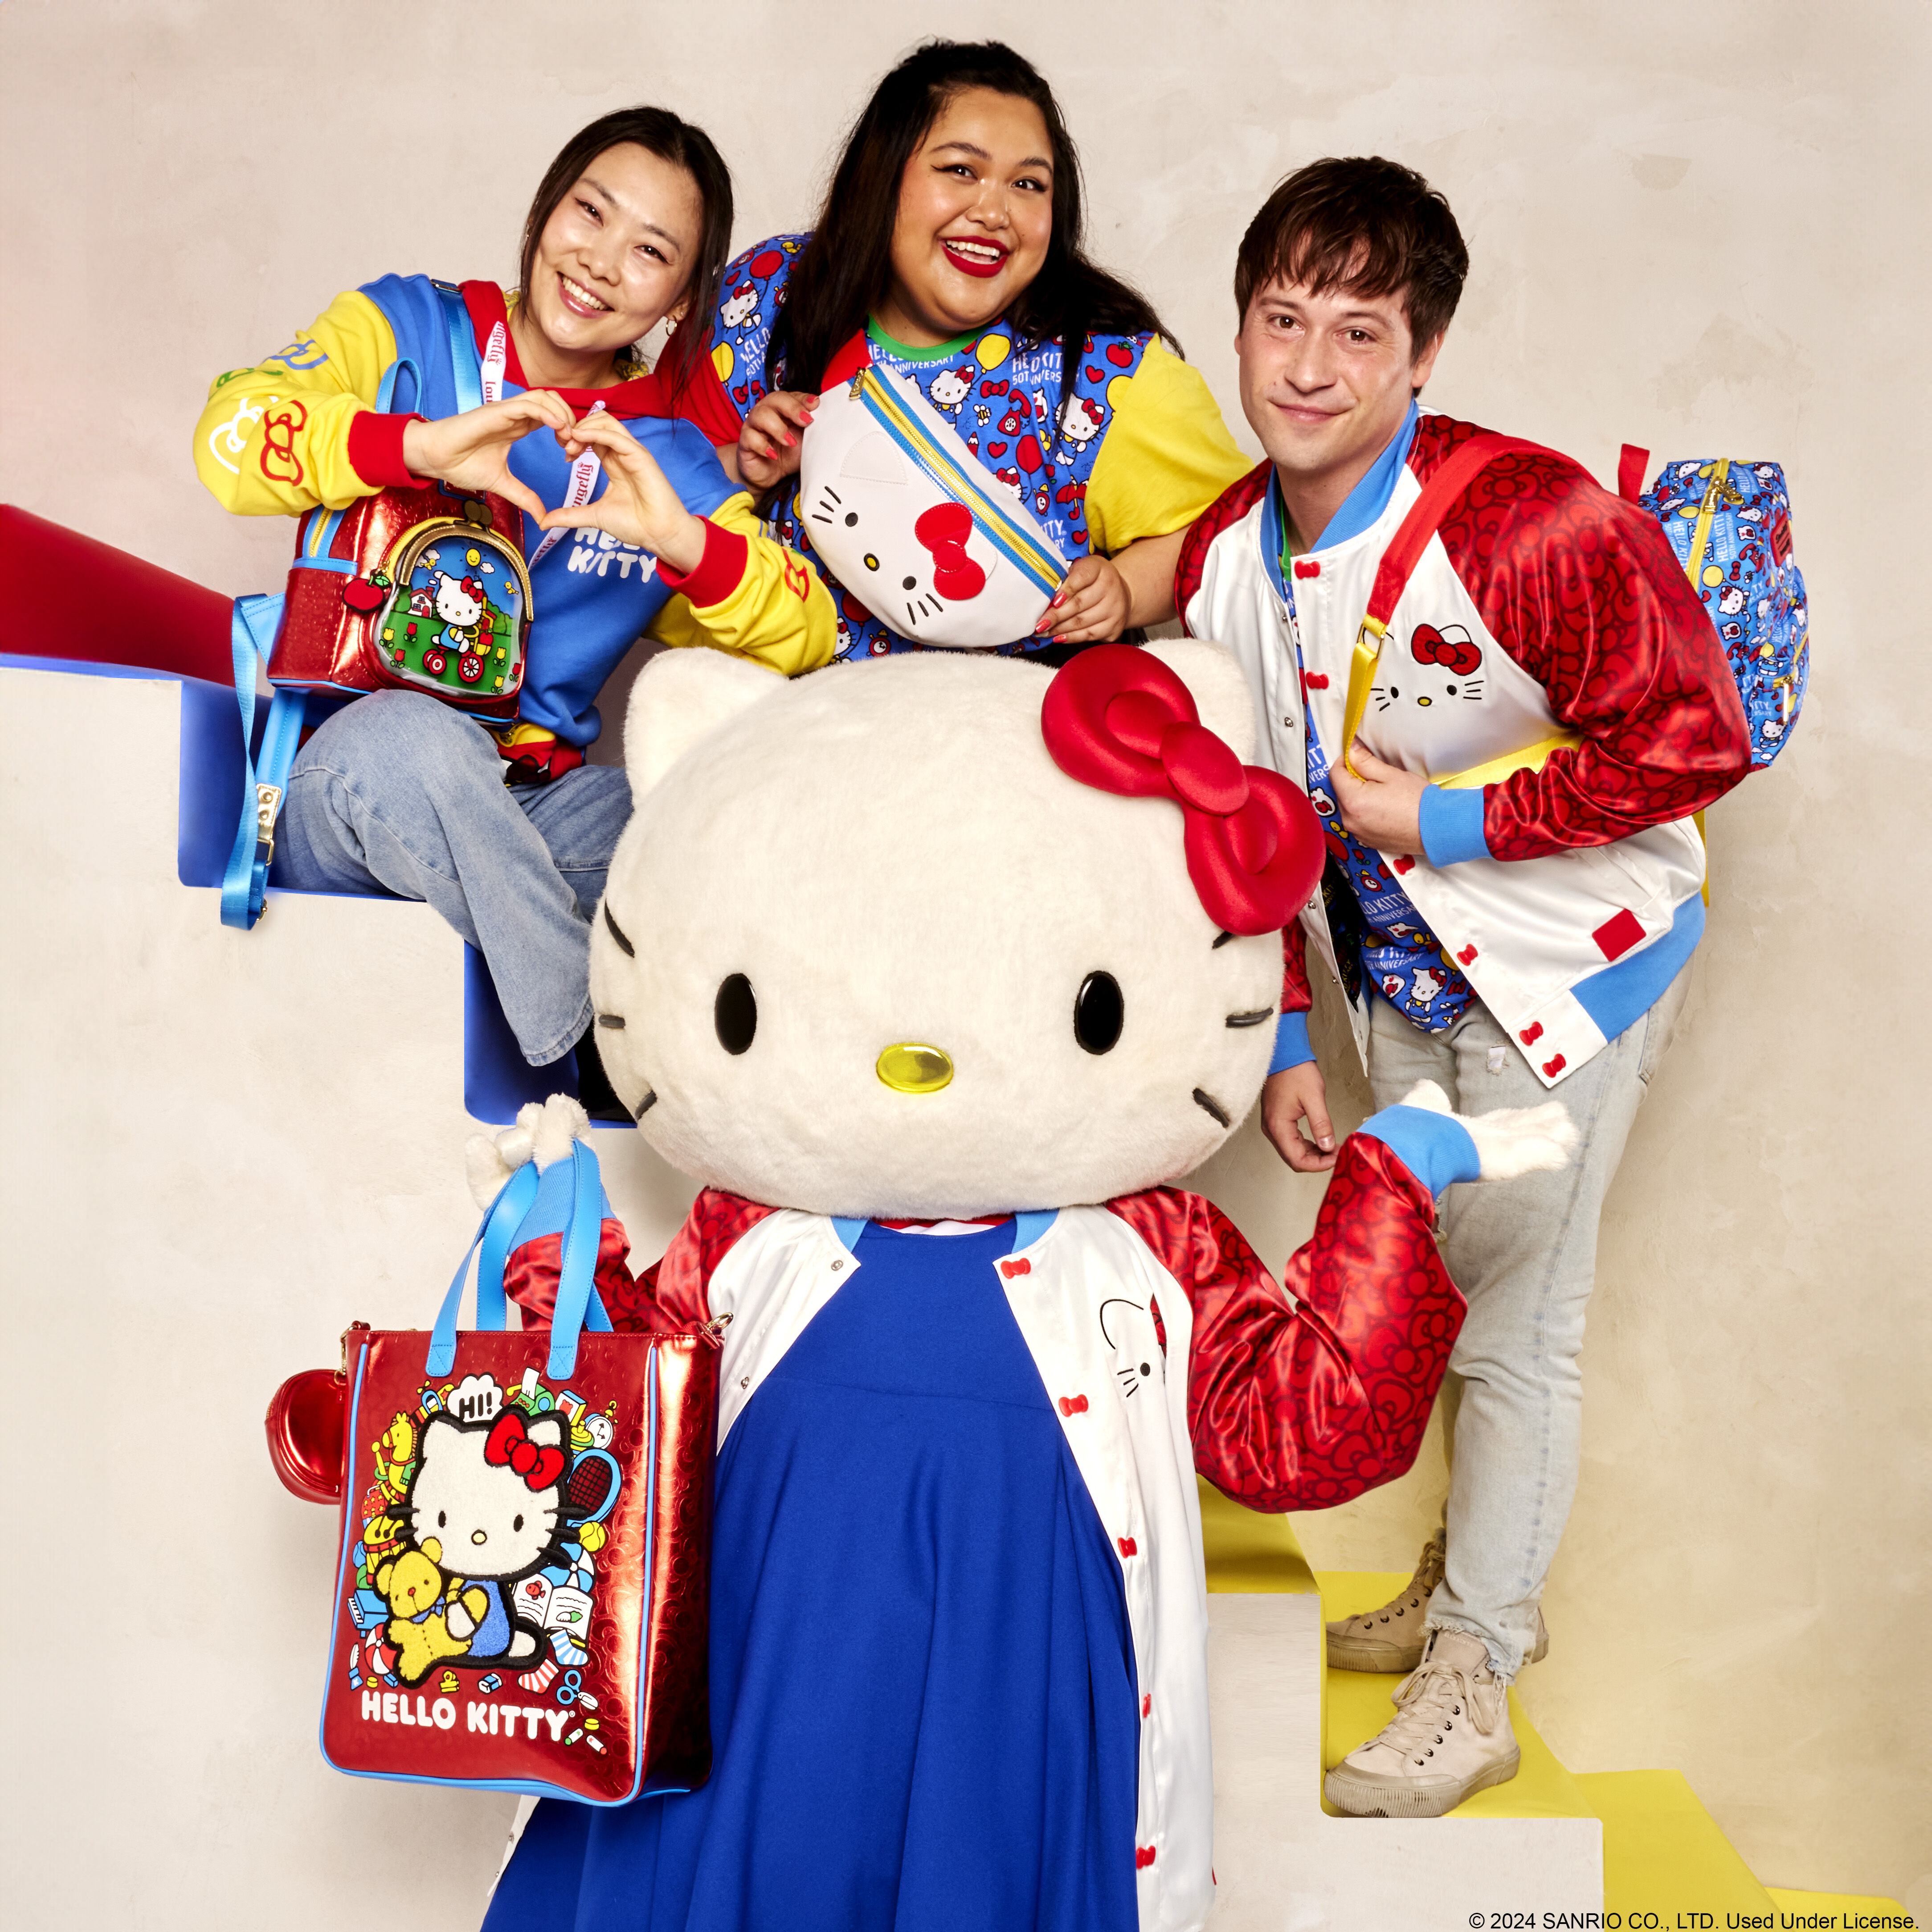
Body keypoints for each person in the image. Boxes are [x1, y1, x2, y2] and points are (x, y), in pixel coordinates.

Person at [1176, 156, 1754, 1817]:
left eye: (1357, 332)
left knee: (1515, 1317)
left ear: (1423, 353)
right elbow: (1245, 810)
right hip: (1388, 987)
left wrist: (1441, 820)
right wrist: (1287, 1030)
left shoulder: (1528, 521)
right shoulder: (1226, 554)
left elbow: (1692, 741)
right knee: (1429, 1282)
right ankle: (1466, 1577)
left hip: (1572, 973)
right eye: (1280, 319)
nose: (1306, 367)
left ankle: (1477, 1665)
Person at [192, 106, 836, 1102]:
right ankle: (610, 1062)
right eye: (590, 212)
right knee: (420, 743)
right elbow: (228, 438)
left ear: (680, 300)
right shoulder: (406, 330)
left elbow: (808, 632)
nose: (601, 263)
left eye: (651, 251)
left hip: (533, 811)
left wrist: (682, 541)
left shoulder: (664, 457)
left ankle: (777, 1086)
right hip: (349, 780)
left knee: (703, 814)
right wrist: (412, 447)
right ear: (544, 210)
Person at [672, 39, 1252, 662]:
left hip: (1007, 716)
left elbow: (1232, 535)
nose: (994, 212)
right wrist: (746, 465)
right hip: (785, 708)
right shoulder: (768, 295)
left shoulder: (1110, 374)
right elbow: (658, 493)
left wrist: (1127, 590)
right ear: (882, 176)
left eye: (1028, 184)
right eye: (960, 171)